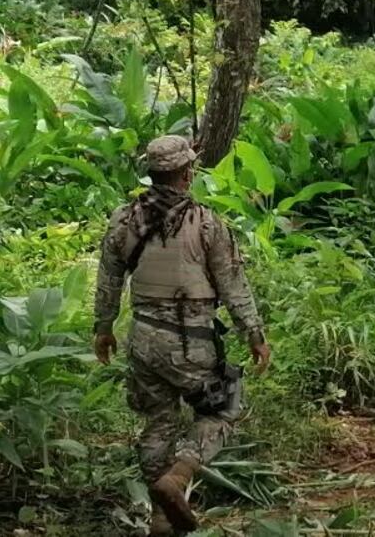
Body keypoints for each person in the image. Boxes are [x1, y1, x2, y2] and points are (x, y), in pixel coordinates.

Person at [92, 135, 271, 535]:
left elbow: (108, 282)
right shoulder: (206, 223)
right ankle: (179, 476)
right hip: (190, 341)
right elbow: (232, 283)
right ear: (187, 173)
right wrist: (254, 334)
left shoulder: (124, 219)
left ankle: (160, 518)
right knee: (223, 407)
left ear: (152, 173)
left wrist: (103, 329)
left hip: (142, 339)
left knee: (158, 420)